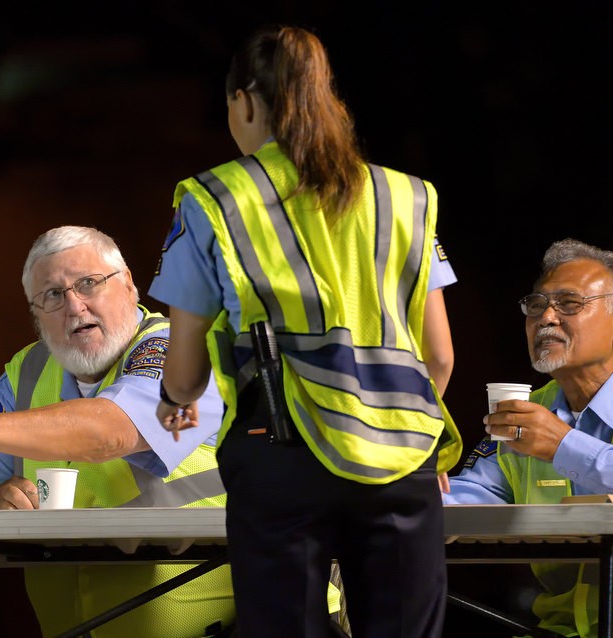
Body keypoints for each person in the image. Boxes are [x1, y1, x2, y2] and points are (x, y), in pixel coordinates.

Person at [147, 25, 462, 638]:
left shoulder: (214, 198)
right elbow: (440, 358)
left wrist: (176, 401)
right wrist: (400, 429)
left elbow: (185, 372)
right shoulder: (408, 198)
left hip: (280, 454)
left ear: (243, 101)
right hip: (402, 462)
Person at [0, 226, 237, 638]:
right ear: (36, 316)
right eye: (52, 295)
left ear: (130, 286)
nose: (74, 306)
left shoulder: (184, 352)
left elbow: (112, 431)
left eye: (88, 284)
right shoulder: (25, 372)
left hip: (211, 622)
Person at [445, 238, 613, 637]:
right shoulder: (525, 410)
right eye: (536, 305)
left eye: (569, 303)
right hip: (554, 629)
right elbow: (470, 496)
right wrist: (410, 495)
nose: (546, 317)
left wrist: (562, 445)